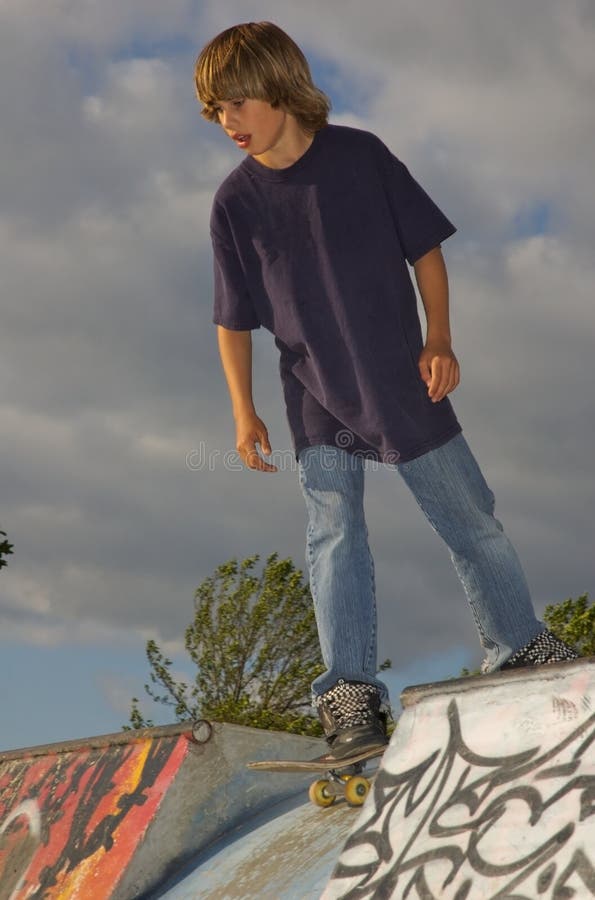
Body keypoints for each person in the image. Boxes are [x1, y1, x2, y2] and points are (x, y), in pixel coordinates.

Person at [194, 21, 577, 760]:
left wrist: (439, 339)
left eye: (236, 103)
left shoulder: (360, 157)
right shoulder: (234, 203)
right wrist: (243, 412)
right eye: (214, 112)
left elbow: (425, 250)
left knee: (471, 518)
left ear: (280, 86)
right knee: (333, 533)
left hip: (400, 378)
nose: (226, 122)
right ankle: (348, 696)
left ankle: (518, 644)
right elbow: (231, 319)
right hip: (312, 392)